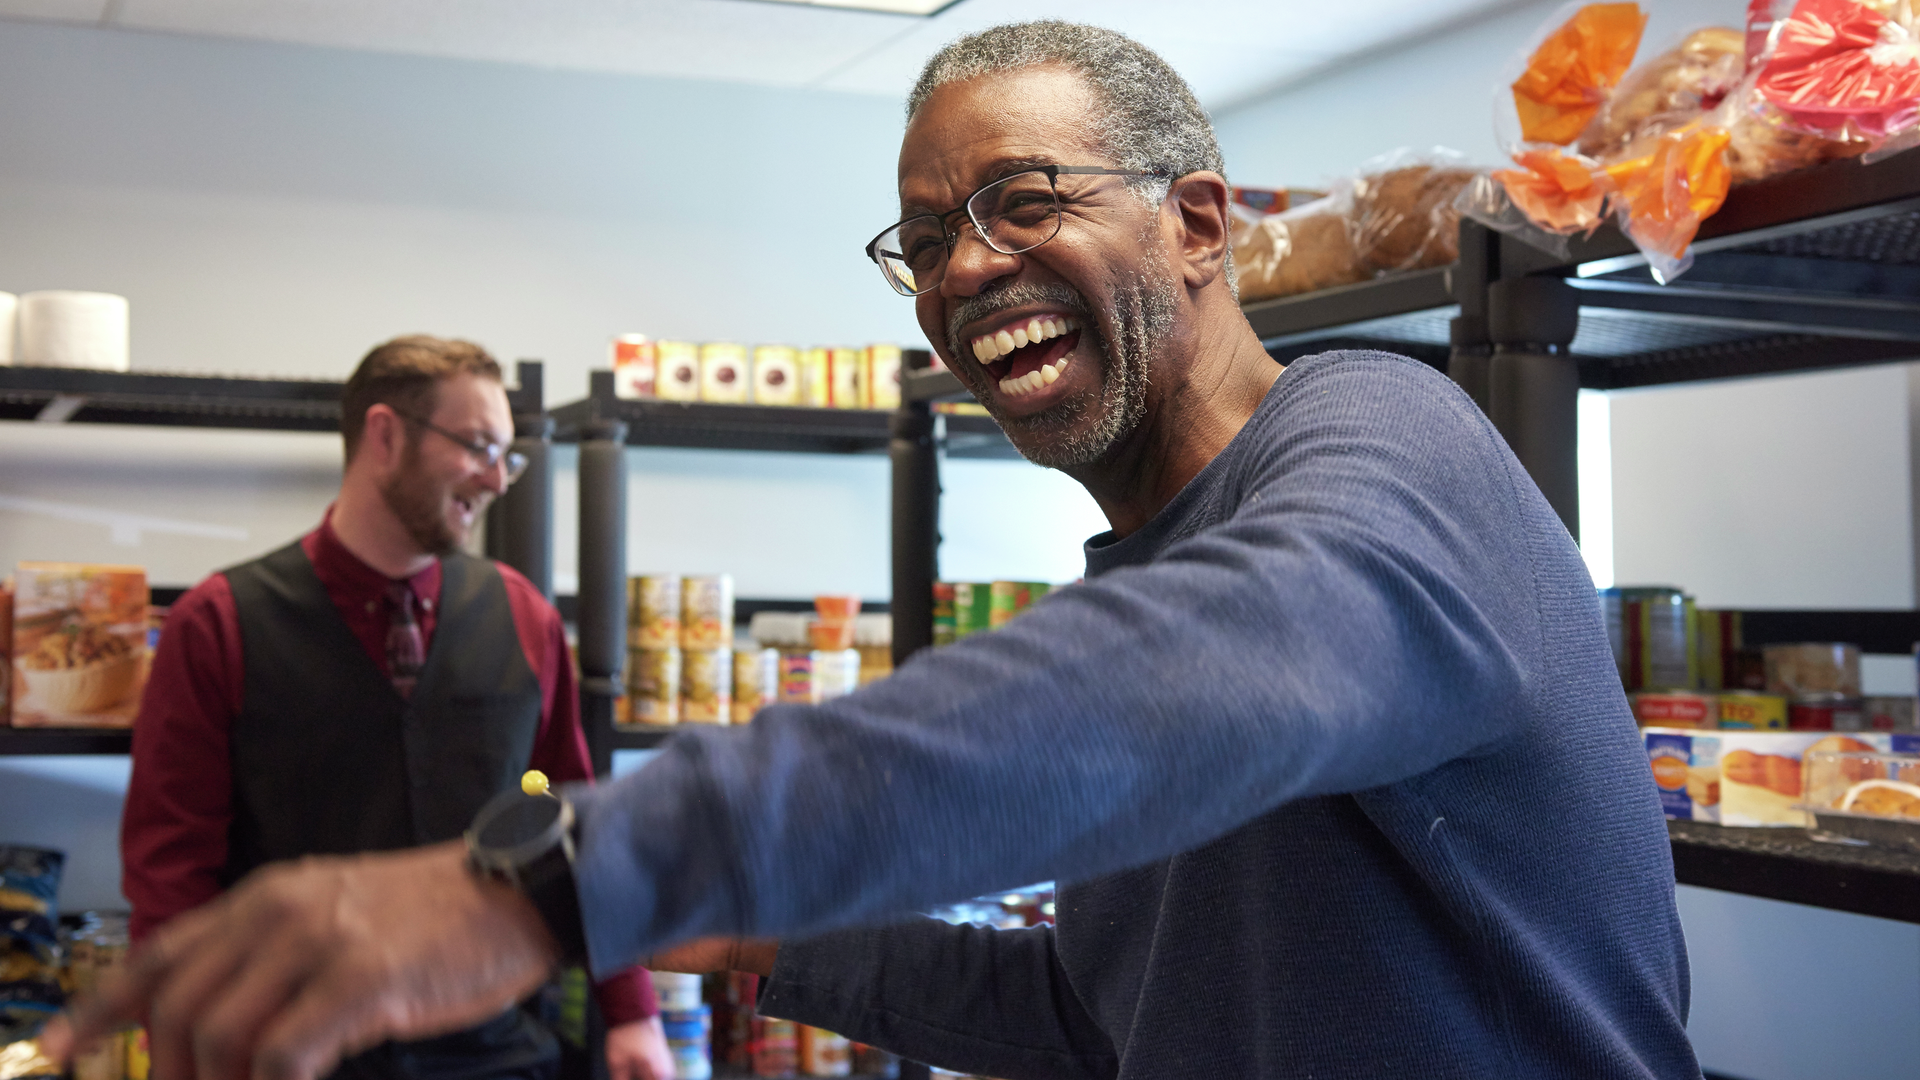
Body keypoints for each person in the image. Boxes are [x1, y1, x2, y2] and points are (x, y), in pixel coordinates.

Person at [57, 23, 1700, 1080]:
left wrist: (569, 884)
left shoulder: (1385, 446)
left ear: (1200, 223)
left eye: (1024, 200)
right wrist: (750, 935)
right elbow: (1089, 1018)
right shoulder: (1138, 578)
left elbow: (1195, 676)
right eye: (925, 239)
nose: (966, 270)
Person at [114, 336, 672, 1080]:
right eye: (478, 447)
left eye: (509, 455)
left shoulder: (524, 618)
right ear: (384, 435)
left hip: (496, 1050)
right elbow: (170, 873)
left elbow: (575, 826)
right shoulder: (217, 623)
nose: (499, 480)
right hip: (295, 1053)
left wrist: (633, 1012)